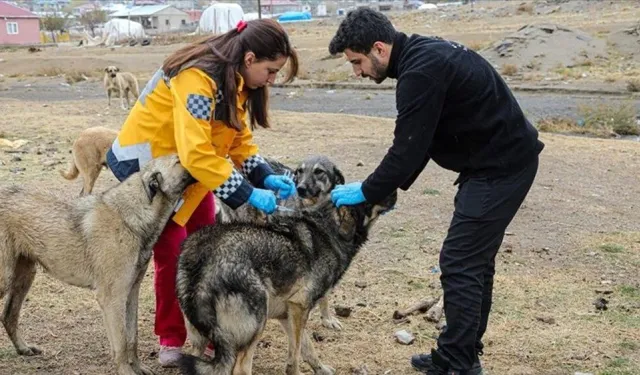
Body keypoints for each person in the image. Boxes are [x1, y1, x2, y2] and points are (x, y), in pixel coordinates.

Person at [328, 8, 544, 375]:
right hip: (492, 165)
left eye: (357, 62)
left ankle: (459, 363)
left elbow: (407, 148)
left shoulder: (420, 72)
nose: (358, 72)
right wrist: (384, 191)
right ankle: (460, 351)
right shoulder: (421, 56)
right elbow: (423, 139)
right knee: (474, 264)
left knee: (460, 262)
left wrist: (366, 192)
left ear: (379, 48)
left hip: (501, 169)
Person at [105, 19, 298, 367]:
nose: (272, 80)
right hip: (153, 175)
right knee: (174, 254)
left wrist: (264, 175)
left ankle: (208, 328)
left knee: (211, 249)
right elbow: (195, 151)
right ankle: (171, 337)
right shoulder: (197, 79)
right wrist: (247, 194)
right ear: (250, 58)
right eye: (271, 71)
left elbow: (236, 137)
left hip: (192, 176)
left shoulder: (236, 81)